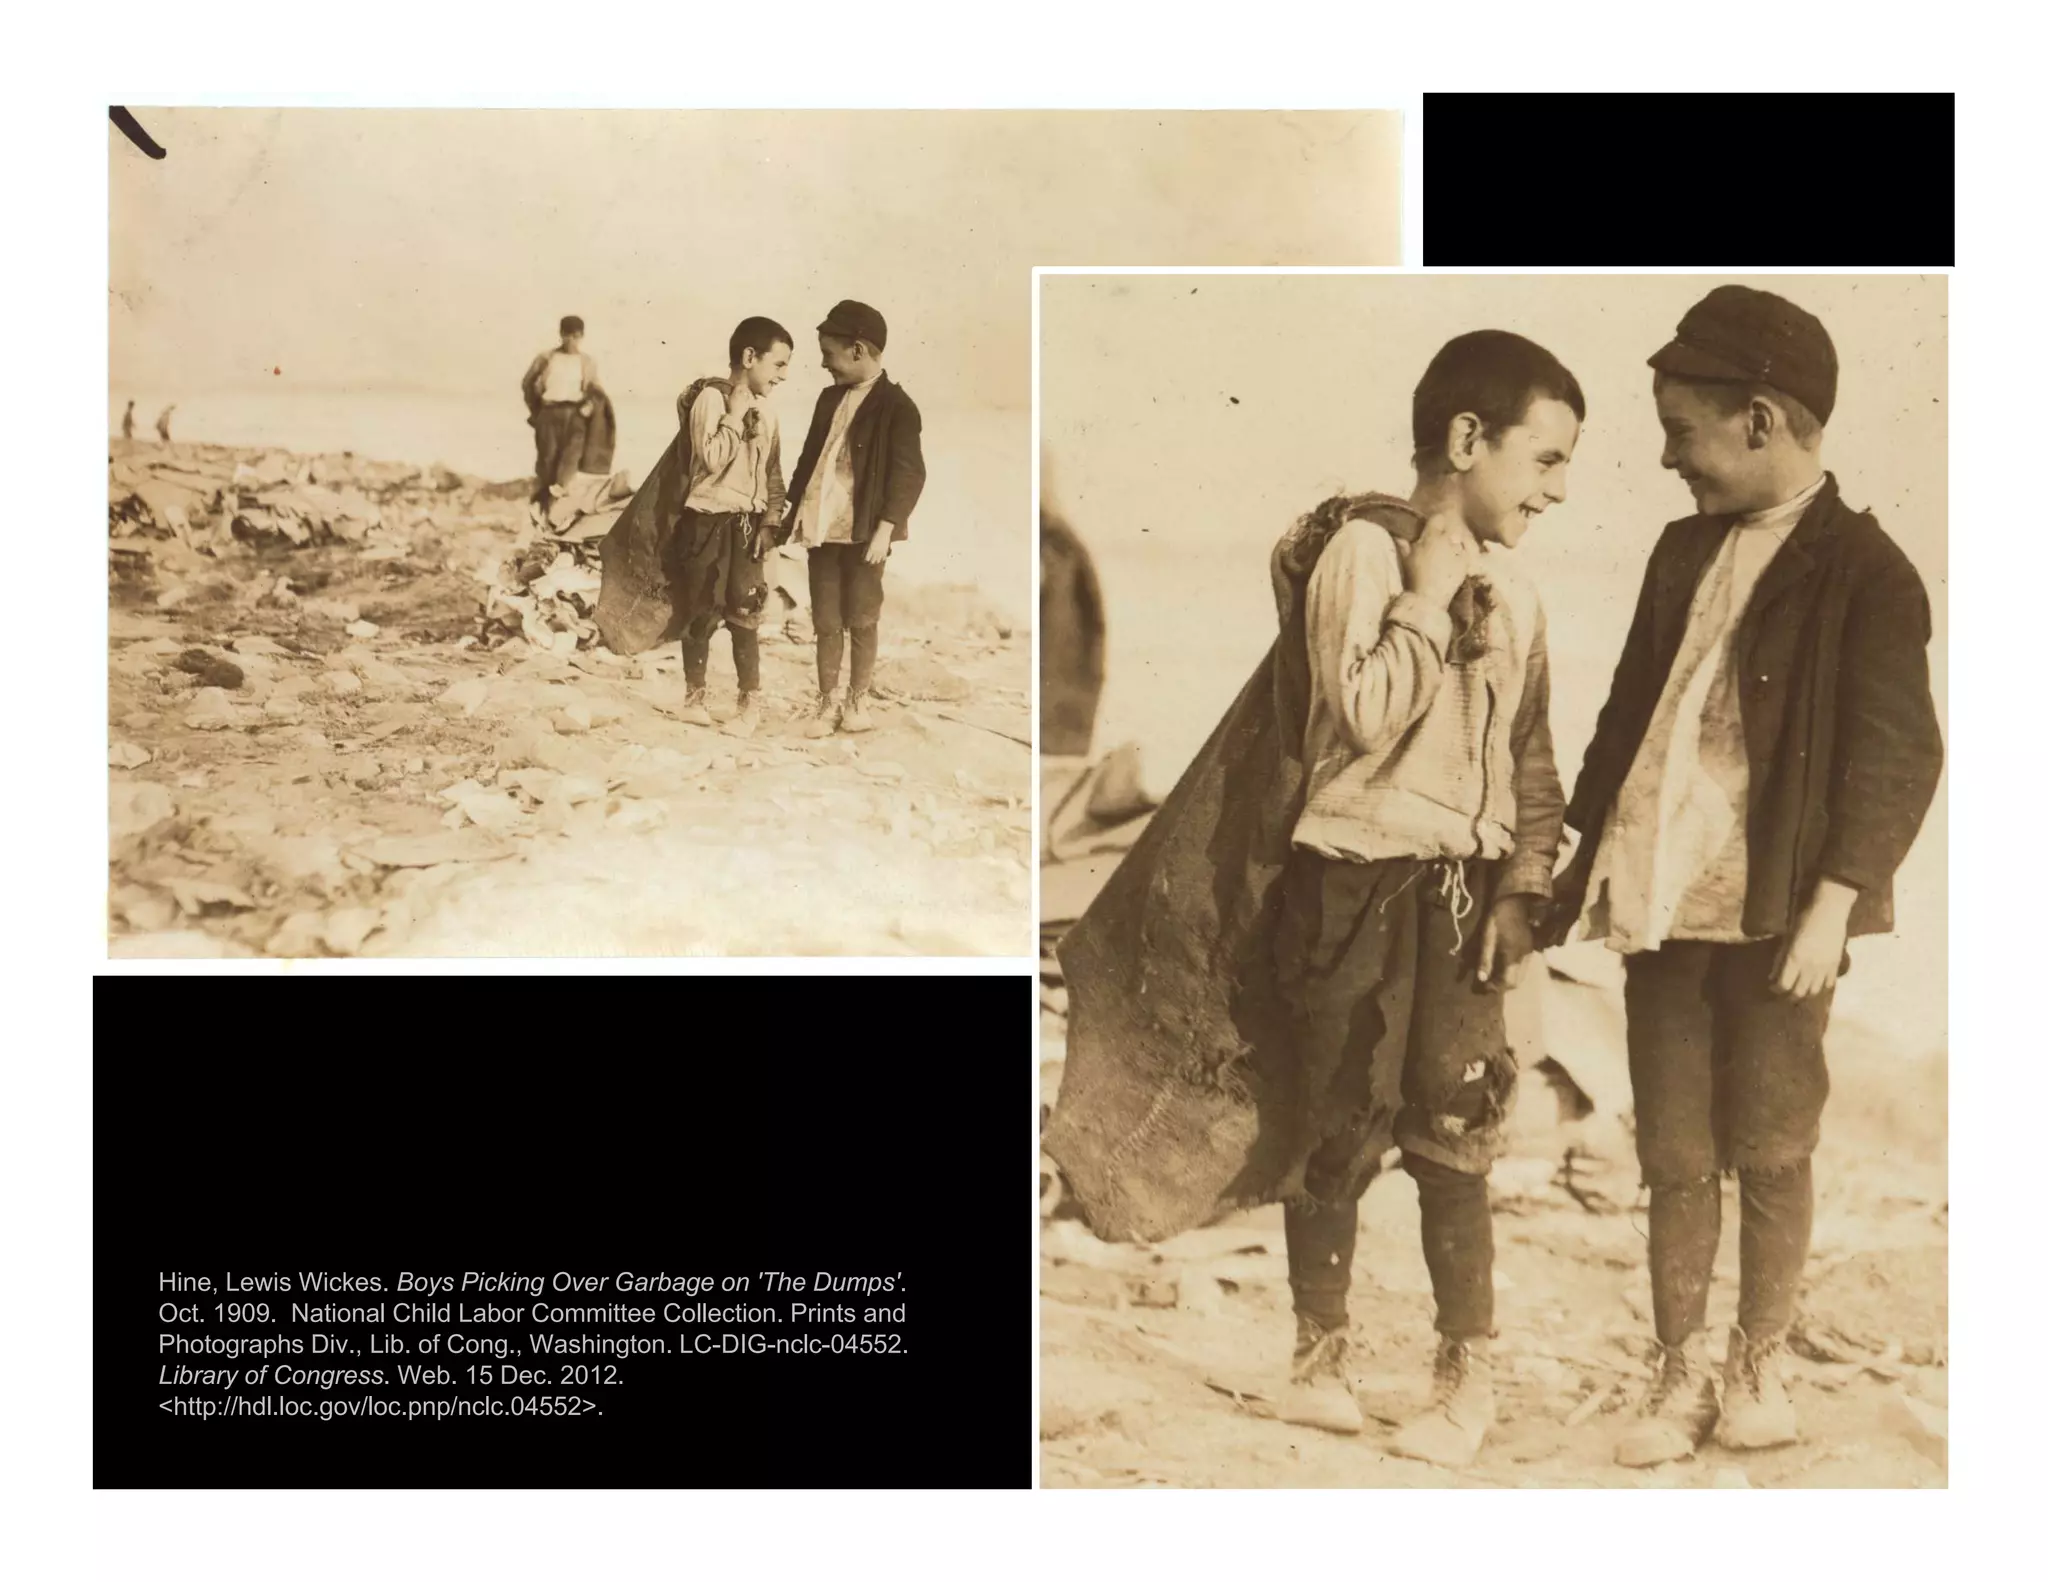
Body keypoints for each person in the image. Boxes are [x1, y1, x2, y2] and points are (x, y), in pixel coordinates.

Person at [1543, 286, 1944, 1466]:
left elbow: (1898, 752)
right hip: (1661, 899)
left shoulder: (1867, 572)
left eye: (1681, 432)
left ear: (1761, 419)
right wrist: (1569, 862)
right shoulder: (1680, 554)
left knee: (1769, 1141)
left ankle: (1756, 1361)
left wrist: (1833, 902)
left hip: (1777, 920)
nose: (1667, 459)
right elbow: (1626, 718)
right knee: (1673, 1147)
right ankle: (1676, 1373)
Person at [1255, 331, 1579, 1469]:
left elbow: (1530, 765)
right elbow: (1358, 711)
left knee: (1457, 1127)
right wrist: (1426, 597)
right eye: (1540, 461)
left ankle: (1461, 1375)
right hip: (1348, 878)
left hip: (1459, 904)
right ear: (1462, 439)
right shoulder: (1363, 551)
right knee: (1335, 1119)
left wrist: (1517, 898)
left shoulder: (1521, 597)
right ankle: (1317, 1361)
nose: (1553, 490)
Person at [781, 301, 926, 737]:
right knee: (826, 618)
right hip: (822, 525)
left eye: (829, 354)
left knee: (862, 617)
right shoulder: (829, 400)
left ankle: (857, 700)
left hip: (865, 533)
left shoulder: (898, 406)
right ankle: (827, 703)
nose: (824, 364)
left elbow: (910, 474)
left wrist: (886, 528)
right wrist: (788, 511)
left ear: (859, 350)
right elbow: (809, 460)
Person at [670, 317, 793, 738]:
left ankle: (748, 704)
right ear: (748, 357)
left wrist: (769, 525)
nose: (783, 375)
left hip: (747, 527)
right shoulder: (711, 398)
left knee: (746, 611)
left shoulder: (769, 414)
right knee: (701, 609)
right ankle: (694, 699)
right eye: (778, 365)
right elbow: (710, 458)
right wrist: (735, 415)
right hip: (706, 520)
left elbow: (774, 476)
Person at [522, 316, 600, 518]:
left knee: (569, 464)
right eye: (567, 335)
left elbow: (594, 392)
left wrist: (588, 408)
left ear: (582, 336)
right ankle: (541, 511)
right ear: (561, 335)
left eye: (576, 336)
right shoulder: (547, 358)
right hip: (549, 414)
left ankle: (556, 513)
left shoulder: (587, 362)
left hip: (575, 416)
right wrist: (536, 410)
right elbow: (528, 384)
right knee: (547, 463)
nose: (571, 340)